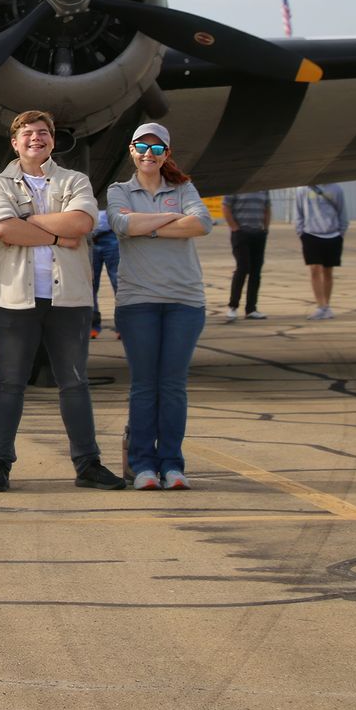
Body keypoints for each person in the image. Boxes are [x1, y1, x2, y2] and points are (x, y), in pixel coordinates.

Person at [0, 109, 125, 492]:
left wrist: (27, 221)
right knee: (9, 383)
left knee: (74, 382)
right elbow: (2, 229)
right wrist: (58, 234)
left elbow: (81, 223)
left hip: (69, 298)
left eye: (43, 133)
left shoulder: (75, 180)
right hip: (15, 300)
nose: (35, 139)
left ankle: (88, 464)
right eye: (27, 134)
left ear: (53, 141)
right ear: (14, 142)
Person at [107, 123, 213, 490]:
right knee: (144, 386)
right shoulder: (119, 190)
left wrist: (147, 227)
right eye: (141, 147)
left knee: (172, 386)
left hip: (185, 301)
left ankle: (172, 464)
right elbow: (121, 224)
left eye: (156, 149)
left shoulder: (183, 187)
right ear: (132, 150)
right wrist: (171, 218)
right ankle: (142, 465)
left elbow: (202, 223)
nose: (148, 154)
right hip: (139, 301)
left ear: (166, 154)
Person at [293, 183, 348, 319]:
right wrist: (301, 232)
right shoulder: (302, 189)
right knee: (314, 269)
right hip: (311, 234)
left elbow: (342, 212)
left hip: (332, 235)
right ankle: (321, 306)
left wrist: (340, 233)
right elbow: (298, 212)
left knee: (328, 271)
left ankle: (326, 306)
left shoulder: (336, 189)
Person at [222, 189, 272, 322]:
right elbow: (226, 207)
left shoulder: (264, 189)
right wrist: (234, 228)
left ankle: (251, 309)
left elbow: (267, 208)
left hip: (258, 234)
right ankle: (233, 306)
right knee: (243, 268)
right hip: (241, 233)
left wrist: (265, 228)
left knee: (256, 271)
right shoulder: (236, 186)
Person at [89, 207, 119, 340]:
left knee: (118, 282)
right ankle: (92, 326)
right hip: (90, 238)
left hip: (111, 236)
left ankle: (123, 326)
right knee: (90, 284)